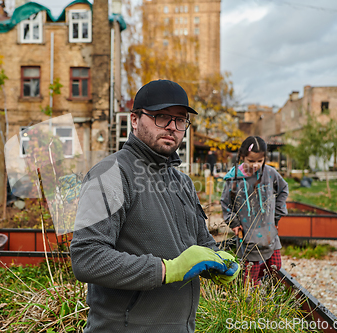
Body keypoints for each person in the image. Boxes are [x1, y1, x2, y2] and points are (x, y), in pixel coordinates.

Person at [70, 79, 240, 332]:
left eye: (180, 120)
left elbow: (200, 243)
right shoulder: (110, 174)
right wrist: (166, 270)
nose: (172, 127)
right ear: (135, 120)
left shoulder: (182, 182)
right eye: (161, 117)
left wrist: (217, 260)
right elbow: (87, 258)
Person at [220, 136, 288, 284]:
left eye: (260, 161)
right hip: (248, 235)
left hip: (269, 233)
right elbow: (226, 203)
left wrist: (277, 215)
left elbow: (283, 189)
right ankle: (250, 299)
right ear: (242, 157)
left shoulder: (270, 174)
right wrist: (234, 223)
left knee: (275, 267)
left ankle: (260, 289)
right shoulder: (233, 179)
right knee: (250, 278)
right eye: (251, 161)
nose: (256, 165)